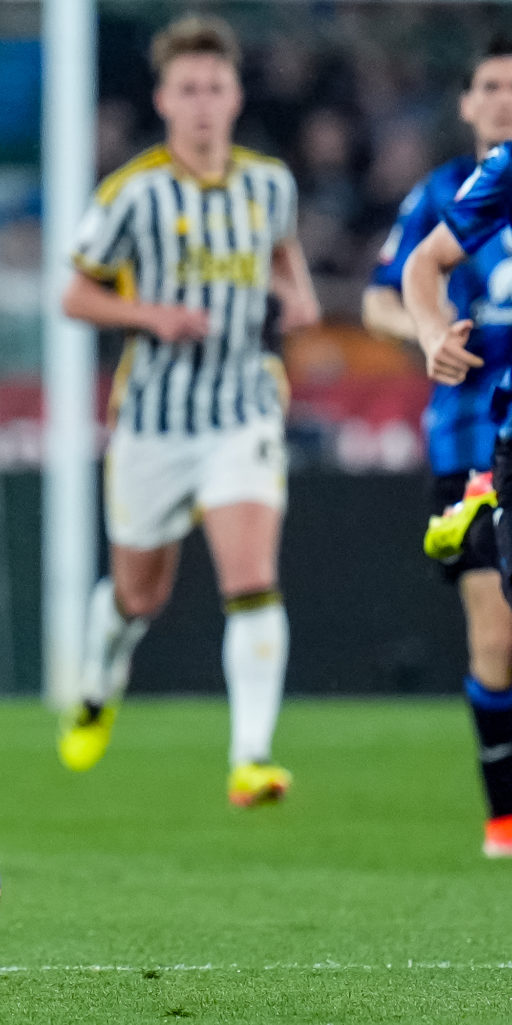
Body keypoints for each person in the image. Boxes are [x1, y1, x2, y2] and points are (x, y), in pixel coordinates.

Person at [55, 16, 320, 805]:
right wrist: (153, 317)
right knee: (140, 595)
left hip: (243, 408)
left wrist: (298, 294)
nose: (203, 103)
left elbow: (282, 252)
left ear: (235, 96)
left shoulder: (270, 184)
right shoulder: (133, 193)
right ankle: (99, 686)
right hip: (154, 419)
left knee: (251, 578)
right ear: (166, 100)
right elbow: (75, 294)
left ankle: (251, 757)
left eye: (216, 88)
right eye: (189, 90)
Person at [363, 39, 512, 860]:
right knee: (495, 633)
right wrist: (426, 334)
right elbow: (388, 291)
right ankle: (503, 814)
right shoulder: (444, 194)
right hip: (471, 432)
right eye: (489, 86)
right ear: (466, 103)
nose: (503, 99)